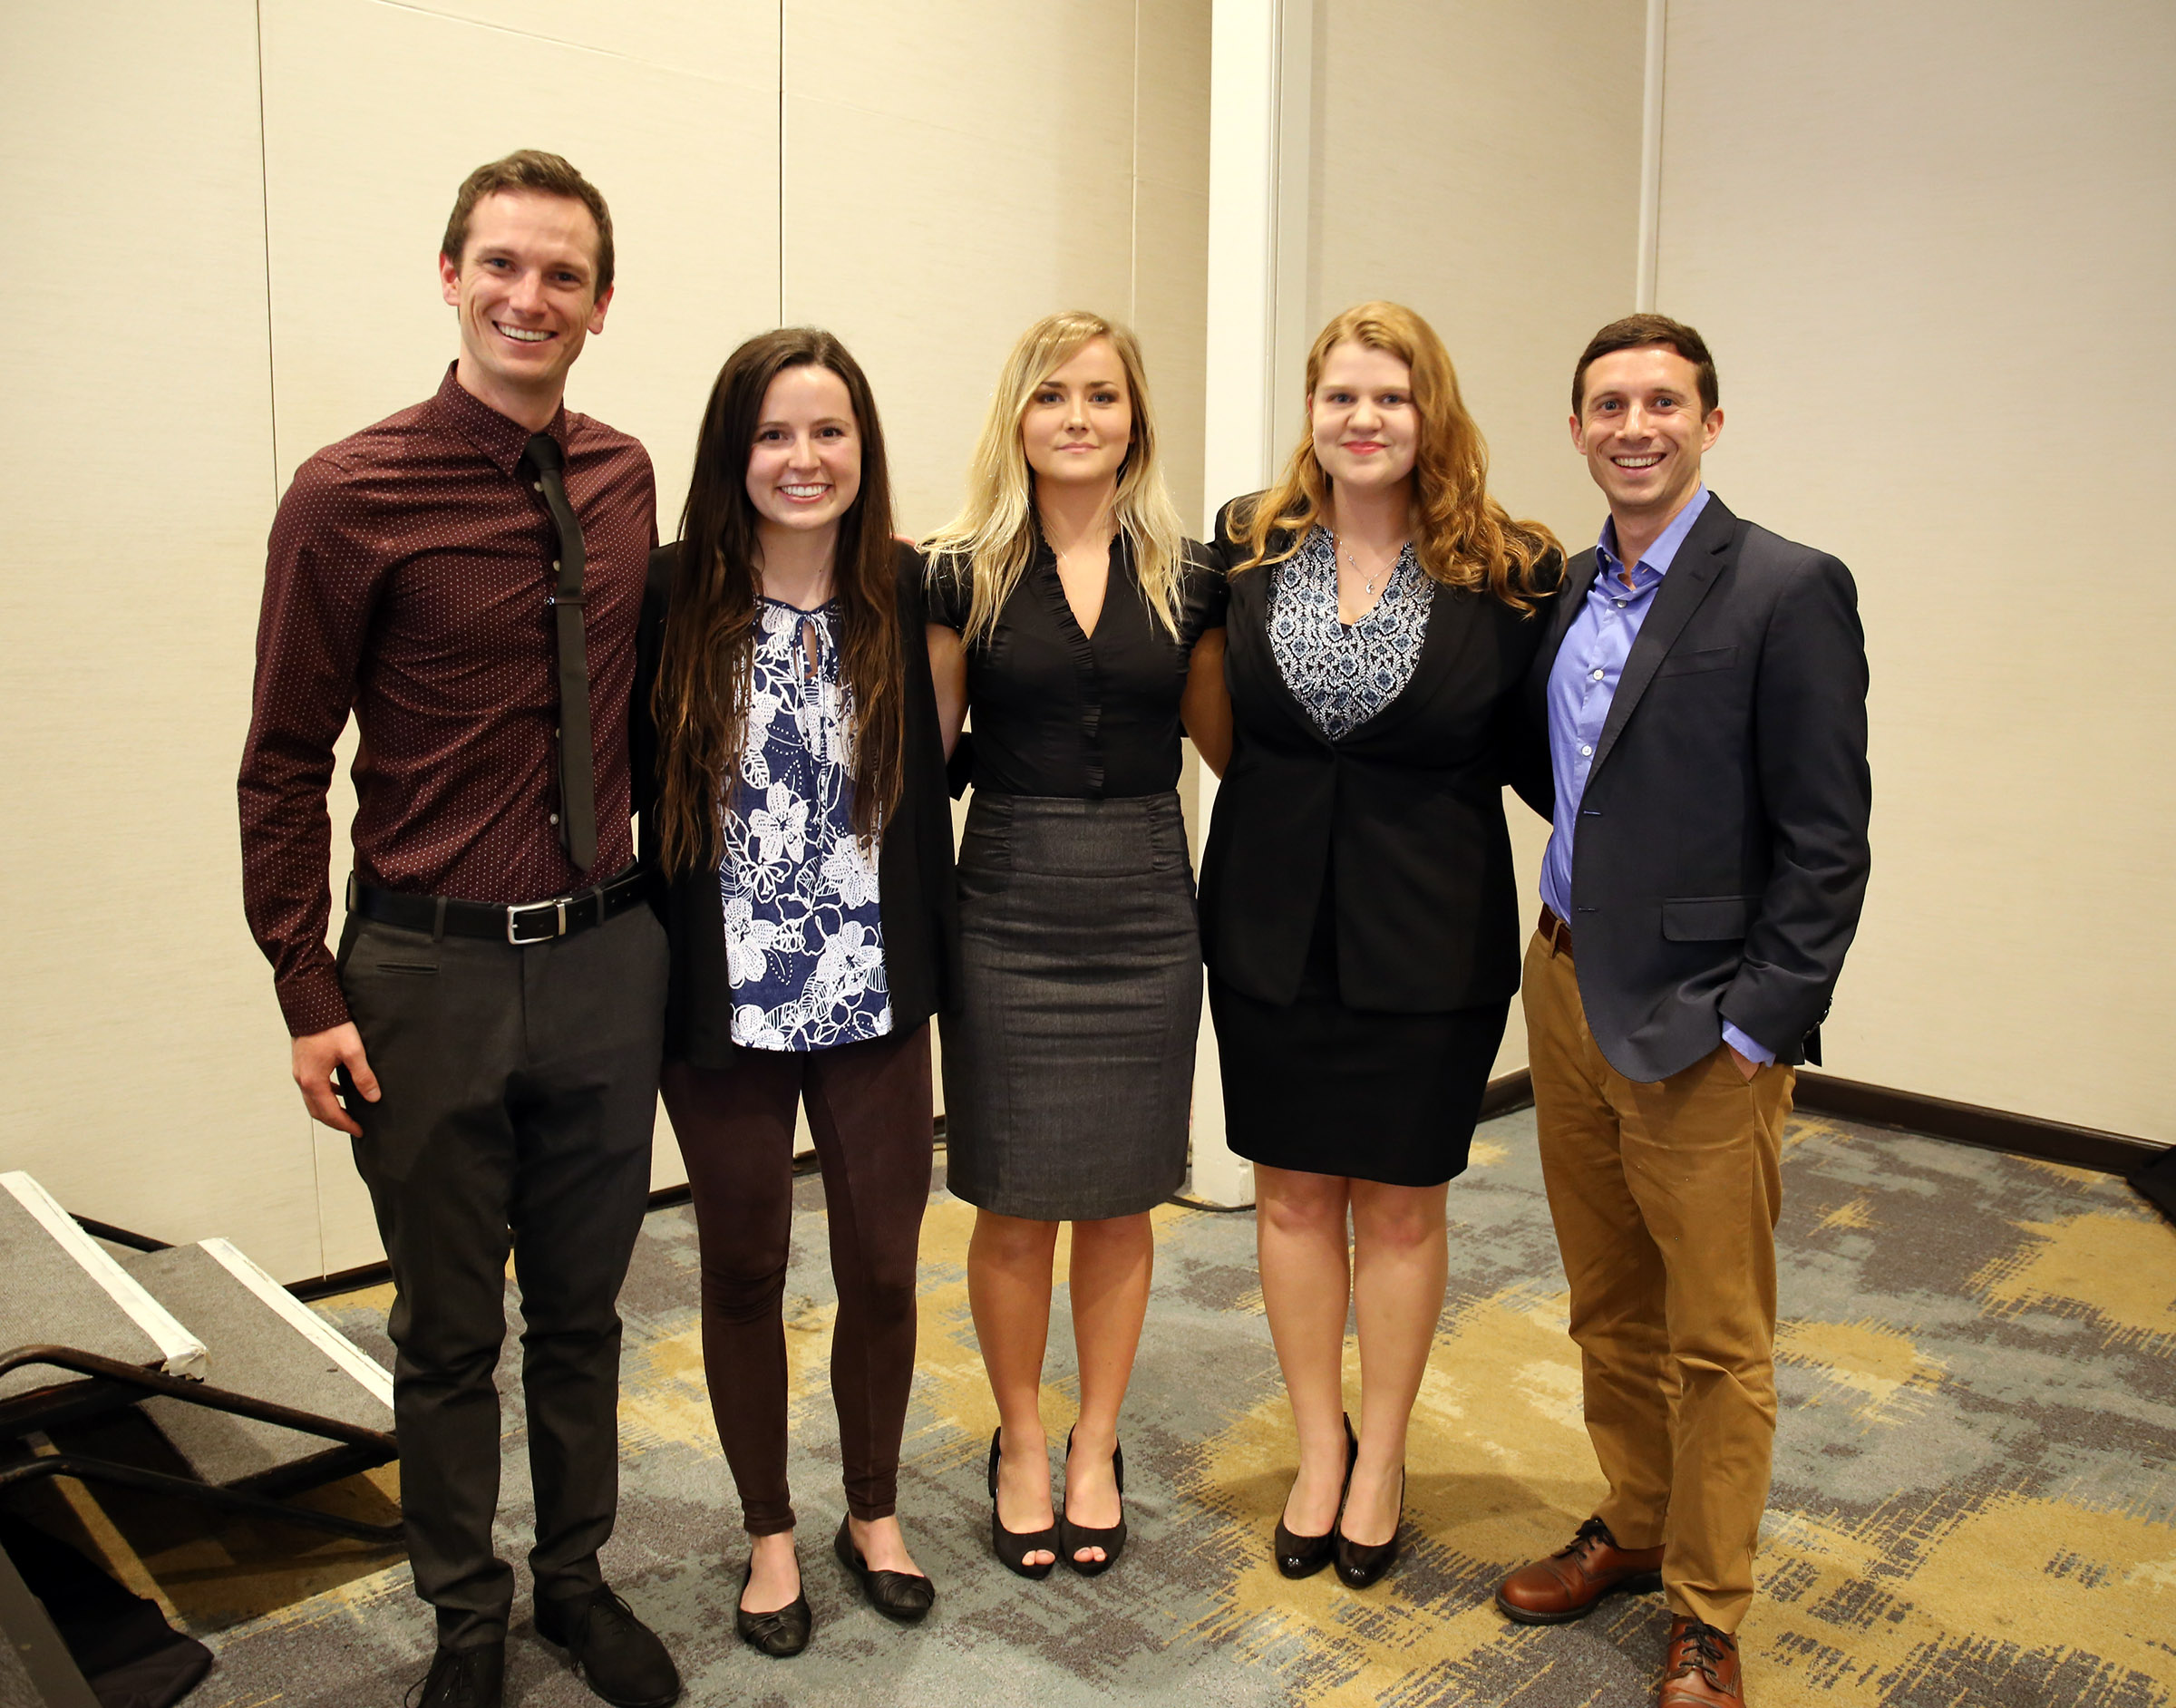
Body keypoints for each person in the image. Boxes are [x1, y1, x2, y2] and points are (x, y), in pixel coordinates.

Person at [238, 151, 678, 1708]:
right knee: (443, 1326)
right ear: (449, 277)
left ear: (602, 304)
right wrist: (306, 985)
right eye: (501, 264)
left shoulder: (627, 480)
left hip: (609, 962)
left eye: (563, 275)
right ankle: (466, 1619)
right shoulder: (349, 494)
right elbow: (284, 761)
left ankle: (575, 1580)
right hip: (423, 973)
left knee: (581, 1309)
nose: (528, 297)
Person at [1492, 314, 1870, 1708]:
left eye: (1662, 401)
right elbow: (1573, 778)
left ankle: (1710, 1609)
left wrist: (1763, 1019)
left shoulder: (1784, 589)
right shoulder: (1571, 591)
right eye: (1607, 404)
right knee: (1607, 1304)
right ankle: (1639, 1522)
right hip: (1568, 983)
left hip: (1710, 1024)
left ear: (1712, 422)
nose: (1633, 425)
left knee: (1718, 1338)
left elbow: (1829, 841)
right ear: (1579, 428)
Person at [1200, 301, 1561, 1591]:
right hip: (1266, 928)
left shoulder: (1511, 569)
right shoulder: (1244, 545)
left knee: (1404, 1207)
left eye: (1391, 399)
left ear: (1432, 415)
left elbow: (1556, 755)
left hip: (1429, 938)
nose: (1363, 420)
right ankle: (1317, 1448)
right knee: (1294, 1196)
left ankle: (1386, 1455)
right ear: (1311, 410)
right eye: (1341, 396)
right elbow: (1197, 701)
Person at [637, 328, 955, 1655]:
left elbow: (942, 781)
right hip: (725, 1002)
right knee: (745, 1266)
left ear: (863, 449)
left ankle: (869, 1510)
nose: (803, 458)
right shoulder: (666, 596)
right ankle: (770, 1530)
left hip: (875, 990)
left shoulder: (910, 588)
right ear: (735, 452)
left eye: (829, 432)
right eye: (774, 433)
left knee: (883, 1266)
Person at [922, 311, 1229, 1577]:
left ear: (1134, 420)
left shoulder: (1193, 572)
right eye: (1052, 397)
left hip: (1149, 896)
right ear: (1018, 418)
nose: (1078, 418)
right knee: (1012, 1199)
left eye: (1102, 396)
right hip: (1007, 895)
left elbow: (1229, 749)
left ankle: (1098, 1439)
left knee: (1118, 1197)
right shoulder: (959, 571)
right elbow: (925, 761)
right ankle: (1025, 1439)